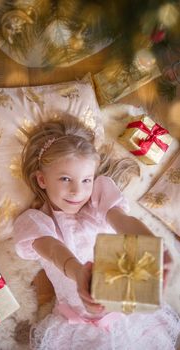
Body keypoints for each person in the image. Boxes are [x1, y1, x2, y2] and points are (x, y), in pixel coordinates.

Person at [13, 115, 180, 350]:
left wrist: (152, 242)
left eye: (86, 180)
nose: (77, 191)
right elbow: (53, 250)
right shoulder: (35, 222)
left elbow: (122, 220)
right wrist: (78, 272)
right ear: (42, 179)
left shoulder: (98, 200)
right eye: (65, 179)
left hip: (127, 315)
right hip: (74, 327)